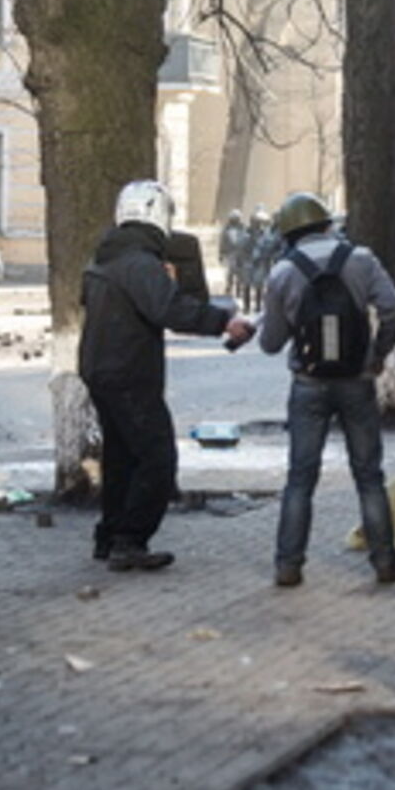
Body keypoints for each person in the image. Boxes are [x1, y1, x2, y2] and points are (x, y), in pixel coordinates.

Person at [79, 180, 254, 570]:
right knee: (157, 458)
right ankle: (130, 541)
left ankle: (109, 536)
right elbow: (171, 311)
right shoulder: (140, 264)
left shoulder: (105, 258)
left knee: (122, 457)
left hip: (100, 370)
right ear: (158, 217)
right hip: (129, 374)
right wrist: (223, 322)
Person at [257, 192, 395, 588]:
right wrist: (378, 354)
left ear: (288, 233)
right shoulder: (361, 260)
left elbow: (270, 343)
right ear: (326, 224)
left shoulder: (283, 272)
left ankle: (289, 566)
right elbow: (393, 309)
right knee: (369, 476)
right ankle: (385, 562)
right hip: (357, 382)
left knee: (300, 479)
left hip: (308, 385)